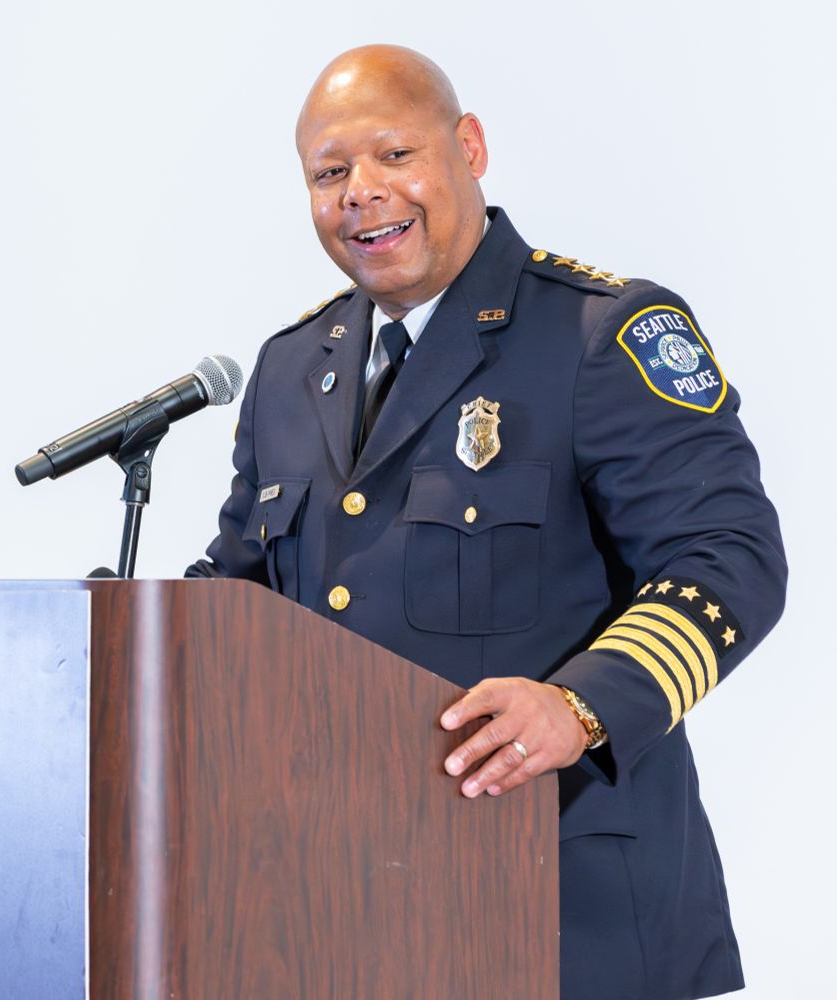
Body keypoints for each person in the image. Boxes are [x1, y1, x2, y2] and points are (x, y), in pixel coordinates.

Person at [186, 44, 786, 1000]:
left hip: (565, 905)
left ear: (468, 147)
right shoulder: (291, 369)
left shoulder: (601, 333)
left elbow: (729, 560)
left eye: (394, 155)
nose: (361, 192)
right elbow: (243, 595)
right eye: (329, 173)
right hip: (339, 912)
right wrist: (121, 641)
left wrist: (578, 705)